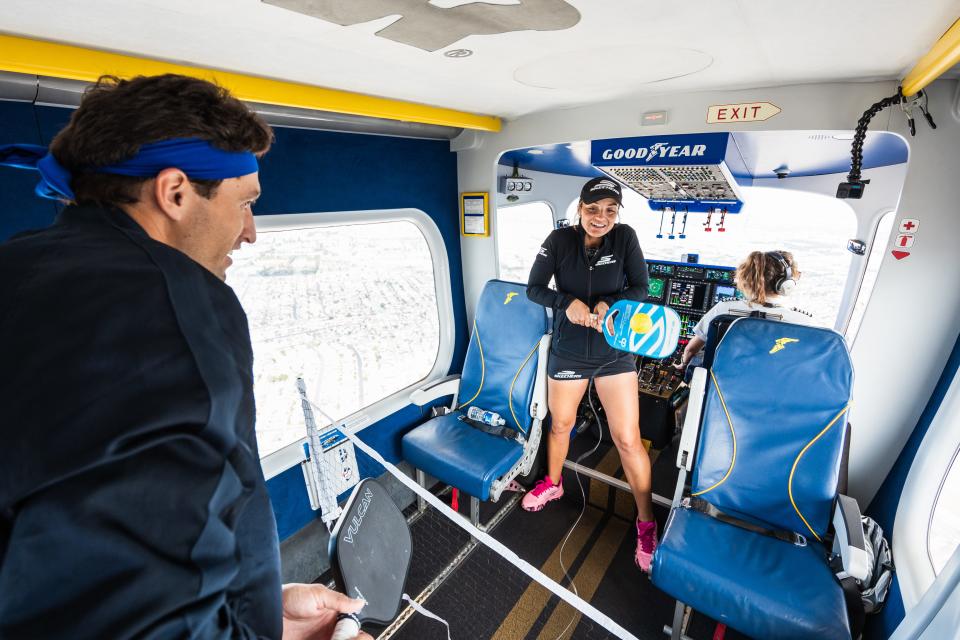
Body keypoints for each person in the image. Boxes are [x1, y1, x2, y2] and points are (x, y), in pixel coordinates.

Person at [0, 74, 369, 639]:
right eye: (243, 204)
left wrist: (256, 611)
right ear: (174, 193)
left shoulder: (20, 267)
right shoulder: (175, 316)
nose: (250, 233)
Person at [523, 176, 659, 571]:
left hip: (614, 350)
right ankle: (553, 482)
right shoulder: (559, 240)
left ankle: (646, 521)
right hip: (568, 350)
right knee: (561, 424)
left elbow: (641, 288)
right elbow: (534, 288)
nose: (601, 218)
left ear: (618, 214)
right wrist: (566, 302)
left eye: (609, 211)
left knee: (628, 439)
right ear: (579, 208)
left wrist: (606, 304)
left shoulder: (626, 238)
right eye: (593, 209)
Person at [677, 250, 814, 369]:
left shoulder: (723, 310)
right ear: (786, 284)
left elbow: (691, 350)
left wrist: (683, 365)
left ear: (747, 279)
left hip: (721, 389)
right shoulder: (803, 322)